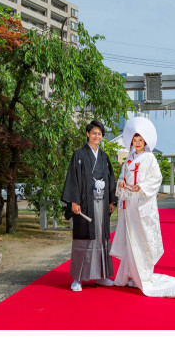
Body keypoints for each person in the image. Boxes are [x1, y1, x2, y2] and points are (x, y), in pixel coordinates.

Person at [110, 117, 175, 298]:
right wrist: (121, 183)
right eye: (135, 140)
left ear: (145, 142)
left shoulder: (150, 158)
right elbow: (122, 175)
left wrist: (141, 187)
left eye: (140, 141)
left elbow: (156, 179)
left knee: (141, 238)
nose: (137, 143)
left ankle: (142, 276)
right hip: (129, 204)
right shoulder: (129, 158)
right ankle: (129, 274)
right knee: (130, 238)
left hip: (142, 204)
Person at [61, 120, 117, 292]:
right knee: (84, 238)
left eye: (99, 134)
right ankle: (77, 278)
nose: (97, 136)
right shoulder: (78, 155)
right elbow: (73, 178)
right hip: (85, 204)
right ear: (87, 134)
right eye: (94, 133)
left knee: (101, 237)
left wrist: (111, 200)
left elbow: (110, 179)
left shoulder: (104, 157)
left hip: (101, 203)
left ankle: (101, 275)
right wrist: (74, 201)